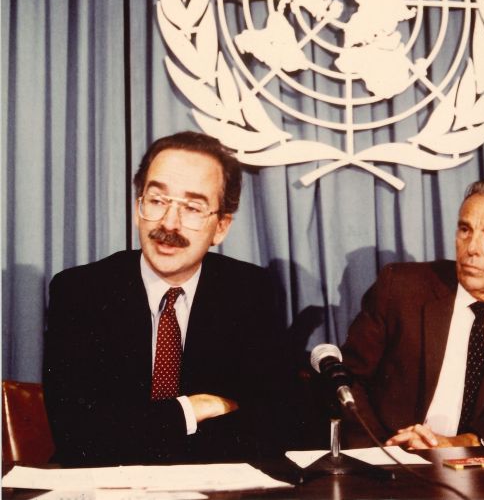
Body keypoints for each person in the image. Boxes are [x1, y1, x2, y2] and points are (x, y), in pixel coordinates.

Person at [43, 131, 296, 466]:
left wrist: (138, 427)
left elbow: (275, 424)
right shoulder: (81, 291)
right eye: (157, 201)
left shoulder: (249, 291)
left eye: (192, 207)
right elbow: (78, 434)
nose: (169, 223)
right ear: (138, 208)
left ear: (220, 227)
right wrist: (194, 408)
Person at [341, 177, 484, 450]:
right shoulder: (401, 288)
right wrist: (384, 451)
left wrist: (465, 442)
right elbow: (348, 379)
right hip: (393, 457)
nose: (471, 248)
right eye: (465, 230)